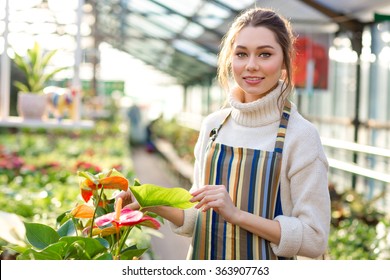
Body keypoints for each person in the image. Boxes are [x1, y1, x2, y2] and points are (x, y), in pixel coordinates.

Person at [118, 7, 330, 260]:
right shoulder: (214, 126)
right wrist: (148, 202)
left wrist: (237, 215)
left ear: (285, 60)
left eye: (265, 54)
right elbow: (199, 216)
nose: (251, 65)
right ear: (230, 59)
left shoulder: (300, 136)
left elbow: (315, 239)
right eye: (241, 54)